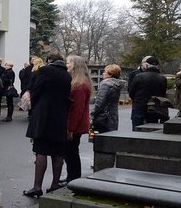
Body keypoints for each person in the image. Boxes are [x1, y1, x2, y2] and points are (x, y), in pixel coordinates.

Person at [22, 51, 71, 198]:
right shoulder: (67, 75)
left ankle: (37, 186)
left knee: (41, 150)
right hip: (60, 115)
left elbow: (34, 90)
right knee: (58, 152)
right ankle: (55, 184)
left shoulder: (44, 71)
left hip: (43, 115)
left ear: (49, 60)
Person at [64, 55, 92, 184]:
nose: (67, 65)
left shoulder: (79, 85)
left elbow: (77, 109)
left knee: (71, 153)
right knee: (71, 152)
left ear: (75, 65)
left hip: (75, 126)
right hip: (76, 125)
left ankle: (73, 178)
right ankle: (72, 176)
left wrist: (70, 128)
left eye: (68, 62)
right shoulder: (79, 82)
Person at [128, 56, 168, 130]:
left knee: (136, 129)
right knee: (152, 129)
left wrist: (136, 99)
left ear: (147, 65)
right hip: (154, 106)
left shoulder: (138, 76)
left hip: (139, 105)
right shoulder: (163, 78)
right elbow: (163, 93)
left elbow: (131, 91)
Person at [91, 64, 126, 134]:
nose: (103, 73)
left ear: (110, 74)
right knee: (109, 139)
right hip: (113, 116)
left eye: (105, 72)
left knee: (98, 140)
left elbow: (99, 103)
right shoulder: (116, 85)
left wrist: (92, 115)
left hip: (102, 118)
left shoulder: (106, 85)